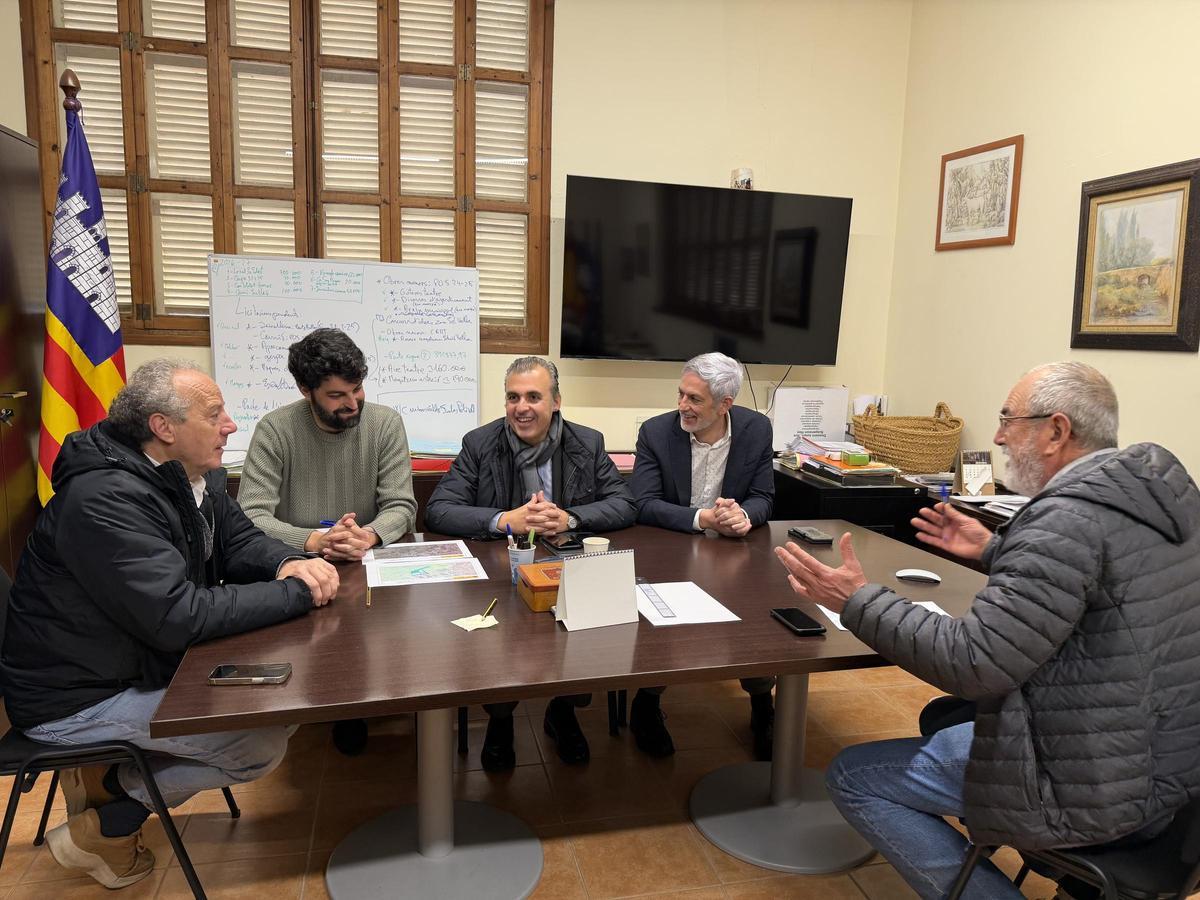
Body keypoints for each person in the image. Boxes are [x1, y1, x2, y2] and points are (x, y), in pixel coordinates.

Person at [774, 361, 1200, 899]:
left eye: (1009, 420)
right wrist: (996, 548)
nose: (996, 437)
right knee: (943, 720)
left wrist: (857, 600)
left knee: (856, 776)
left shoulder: (1066, 520)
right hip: (1175, 766)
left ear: (1057, 431)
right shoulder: (1162, 499)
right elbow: (1102, 593)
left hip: (1096, 778)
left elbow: (974, 663)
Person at [1, 360, 338, 890]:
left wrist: (286, 563)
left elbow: (239, 541)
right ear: (163, 428)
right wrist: (296, 593)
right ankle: (114, 803)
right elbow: (176, 617)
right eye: (214, 413)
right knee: (257, 745)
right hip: (76, 699)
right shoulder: (104, 500)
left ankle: (111, 788)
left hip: (140, 666)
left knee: (288, 695)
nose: (230, 424)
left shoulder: (191, 477)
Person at [426, 356, 635, 771]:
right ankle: (501, 722)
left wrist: (570, 518)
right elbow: (438, 510)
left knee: (583, 638)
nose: (522, 407)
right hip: (500, 574)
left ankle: (563, 712)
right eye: (513, 397)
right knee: (495, 648)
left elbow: (625, 503)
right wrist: (506, 520)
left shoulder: (586, 442)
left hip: (566, 567)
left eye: (533, 397)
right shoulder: (480, 443)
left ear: (556, 402)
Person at [239, 328, 416, 756]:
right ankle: (328, 708)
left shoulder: (385, 423)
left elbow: (402, 505)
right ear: (306, 390)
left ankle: (356, 705)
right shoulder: (276, 430)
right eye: (337, 395)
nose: (352, 403)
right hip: (298, 564)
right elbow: (249, 516)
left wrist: (368, 535)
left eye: (357, 389)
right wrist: (315, 540)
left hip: (365, 565)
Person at [628, 352, 776, 759]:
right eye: (681, 394)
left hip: (733, 550)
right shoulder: (657, 432)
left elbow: (764, 497)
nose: (683, 406)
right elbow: (641, 503)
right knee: (664, 621)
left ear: (725, 404)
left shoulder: (756, 429)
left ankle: (763, 701)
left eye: (695, 400)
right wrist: (702, 519)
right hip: (672, 547)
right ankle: (647, 699)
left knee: (754, 614)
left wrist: (744, 516)